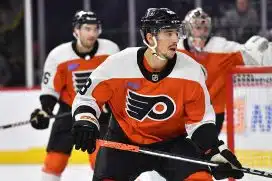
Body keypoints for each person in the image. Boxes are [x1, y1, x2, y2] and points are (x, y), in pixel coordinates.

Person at [71, 8, 244, 181]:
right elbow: (87, 98)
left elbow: (199, 121)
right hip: (124, 142)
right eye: (168, 33)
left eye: (177, 33)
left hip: (173, 143)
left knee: (200, 179)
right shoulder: (117, 64)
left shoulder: (191, 70)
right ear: (149, 37)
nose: (176, 39)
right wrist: (86, 119)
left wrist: (214, 151)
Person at [29, 10, 119, 181]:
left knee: (103, 162)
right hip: (69, 112)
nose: (92, 33)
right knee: (54, 162)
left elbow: (119, 81)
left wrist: (113, 100)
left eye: (95, 29)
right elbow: (50, 90)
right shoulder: (58, 56)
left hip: (102, 113)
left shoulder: (110, 50)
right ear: (76, 31)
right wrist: (45, 110)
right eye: (87, 28)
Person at [178, 7, 269, 135]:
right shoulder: (175, 49)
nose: (202, 32)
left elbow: (248, 54)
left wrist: (259, 47)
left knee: (203, 150)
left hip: (213, 112)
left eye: (205, 28)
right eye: (198, 28)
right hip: (184, 111)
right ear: (188, 29)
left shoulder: (222, 47)